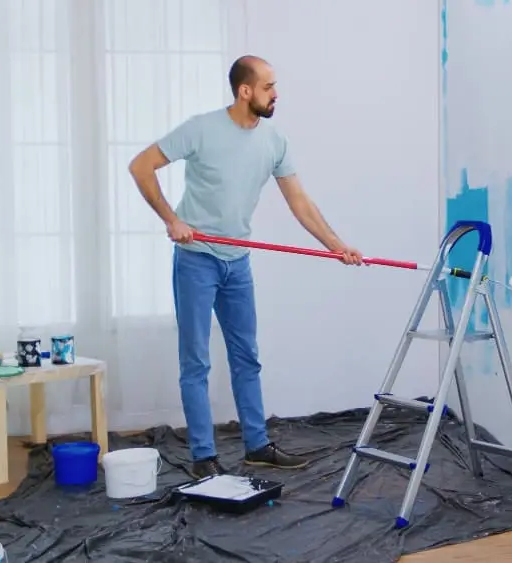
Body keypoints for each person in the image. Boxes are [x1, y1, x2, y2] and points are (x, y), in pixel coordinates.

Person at [128, 55, 364, 479]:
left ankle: (257, 446)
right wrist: (172, 219)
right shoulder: (200, 129)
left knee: (246, 357)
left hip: (238, 263)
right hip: (196, 260)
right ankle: (204, 456)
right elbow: (141, 166)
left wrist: (337, 246)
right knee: (196, 362)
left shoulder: (274, 140)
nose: (277, 94)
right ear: (245, 91)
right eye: (270, 86)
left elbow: (300, 203)